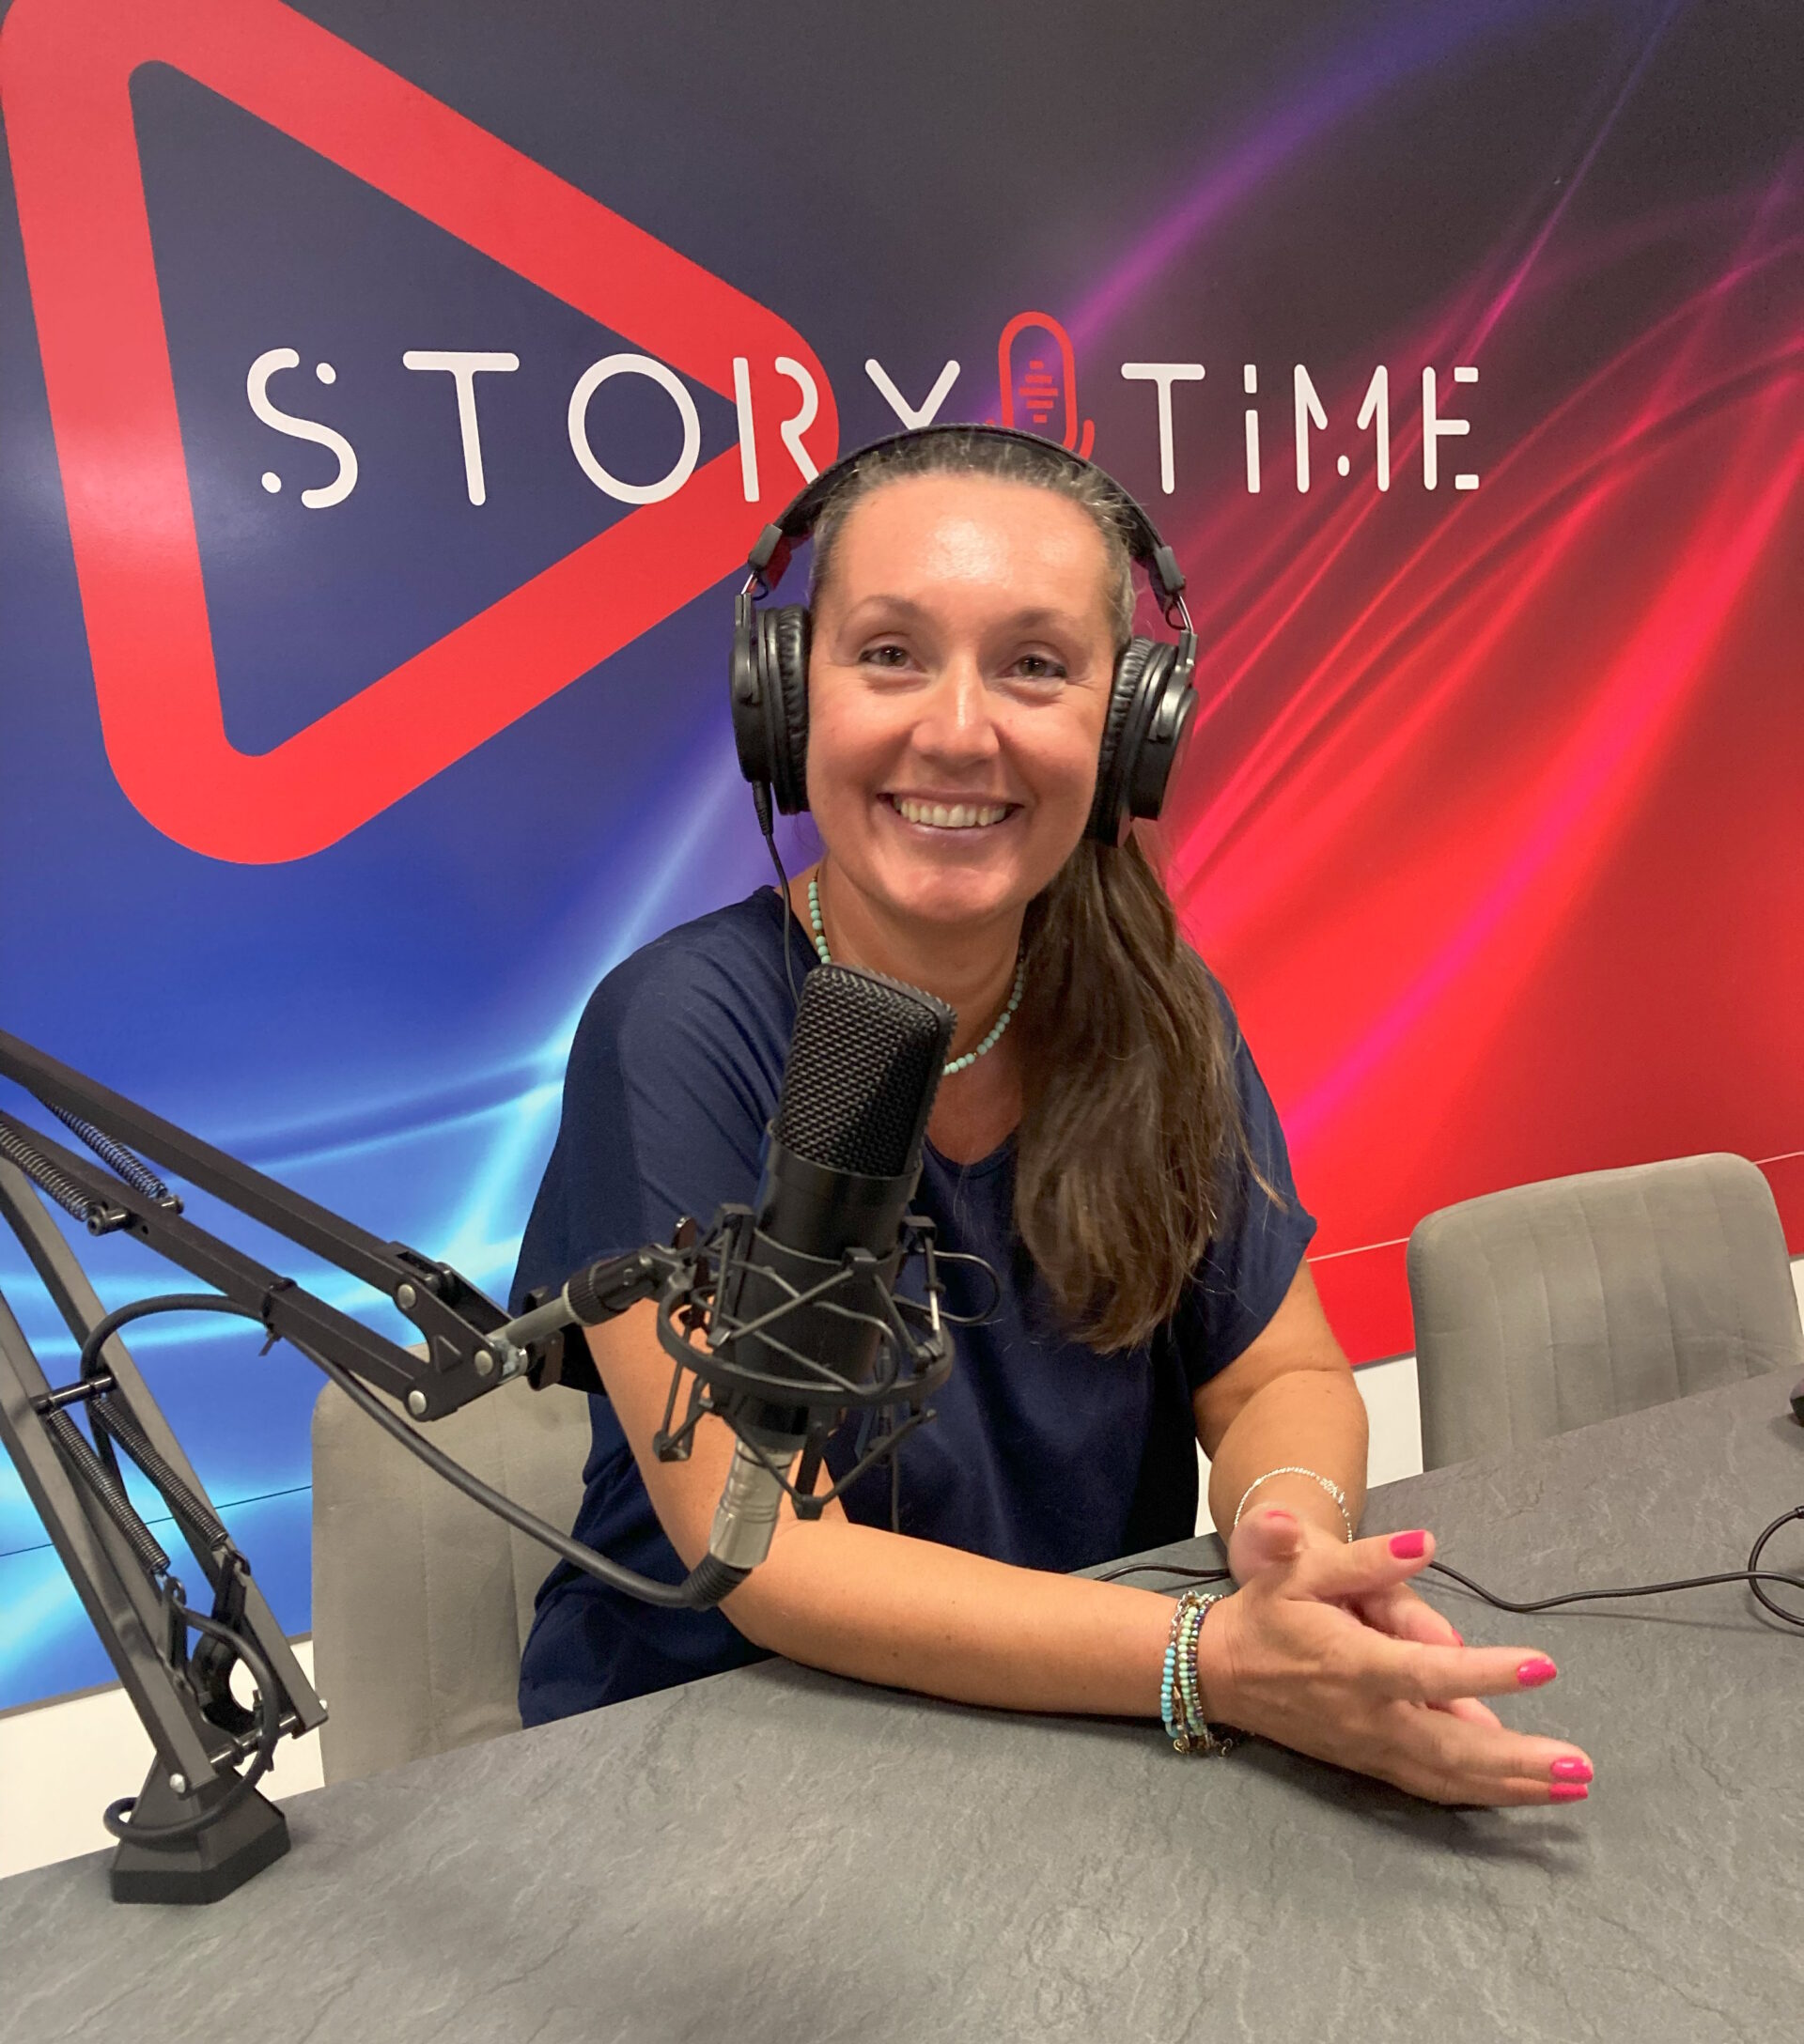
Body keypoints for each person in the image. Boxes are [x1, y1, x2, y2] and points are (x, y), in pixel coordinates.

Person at [511, 426, 1594, 1809]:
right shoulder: (675, 1028)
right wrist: (1214, 1660)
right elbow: (766, 1547)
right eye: (890, 653)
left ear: (1128, 725)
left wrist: (1292, 1540)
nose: (960, 731)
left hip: (1080, 1728)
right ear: (786, 699)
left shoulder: (1153, 1007)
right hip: (712, 1753)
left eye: (1035, 665)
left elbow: (1280, 1377)